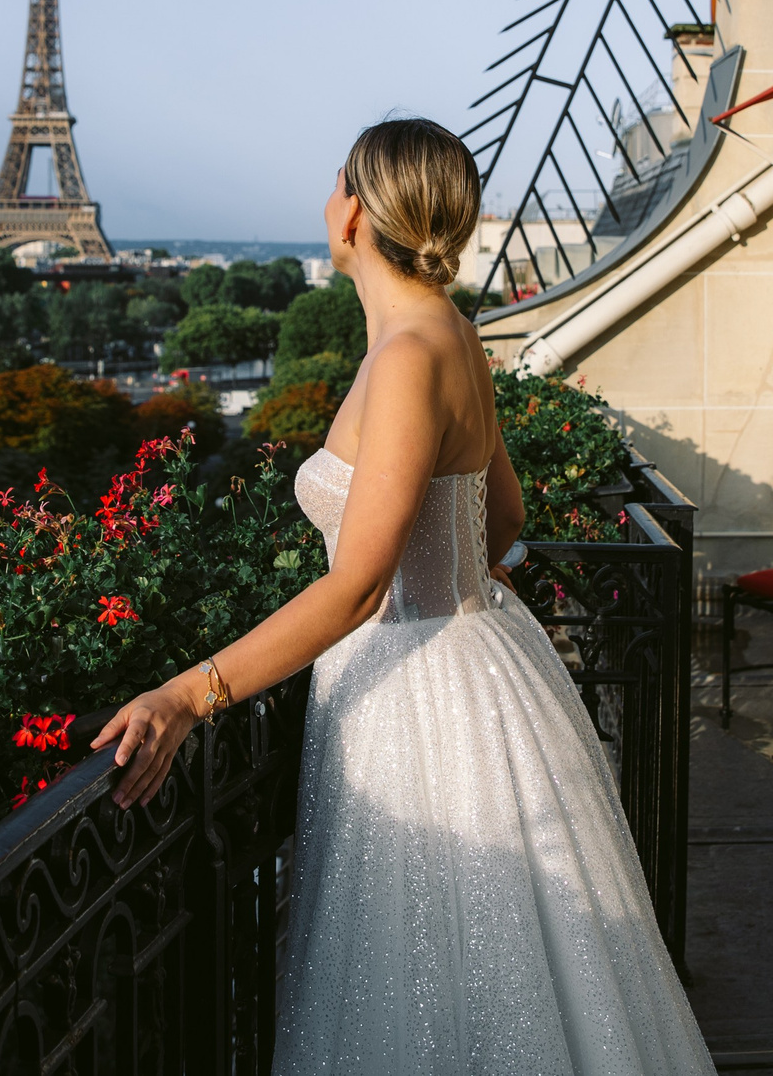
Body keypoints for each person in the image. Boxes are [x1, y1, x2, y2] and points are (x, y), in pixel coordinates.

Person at [94, 117, 718, 1075]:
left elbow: (355, 588)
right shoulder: (451, 336)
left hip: (418, 700)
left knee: (426, 982)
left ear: (355, 210)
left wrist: (186, 694)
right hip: (482, 662)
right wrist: (462, 575)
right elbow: (501, 515)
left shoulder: (404, 358)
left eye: (333, 183)